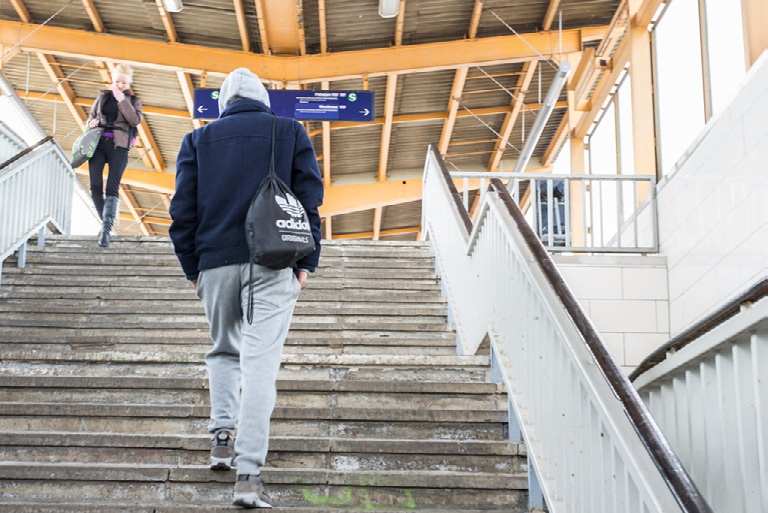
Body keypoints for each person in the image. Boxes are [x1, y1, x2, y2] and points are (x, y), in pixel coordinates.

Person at [168, 68, 323, 508]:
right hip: (273, 263)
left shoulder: (197, 141)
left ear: (223, 103)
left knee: (222, 350)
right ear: (263, 99)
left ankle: (221, 436)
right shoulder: (289, 130)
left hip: (214, 264)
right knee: (260, 365)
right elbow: (309, 200)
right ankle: (249, 475)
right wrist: (306, 262)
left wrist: (193, 268)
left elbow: (181, 212)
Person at [86, 64, 143, 247]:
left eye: (123, 82)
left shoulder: (133, 101)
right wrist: (92, 123)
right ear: (112, 80)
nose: (119, 85)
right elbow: (89, 119)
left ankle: (105, 231)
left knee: (112, 186)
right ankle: (105, 225)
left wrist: (122, 100)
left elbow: (135, 120)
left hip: (119, 147)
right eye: (117, 81)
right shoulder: (102, 97)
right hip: (98, 144)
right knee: (95, 186)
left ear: (129, 83)